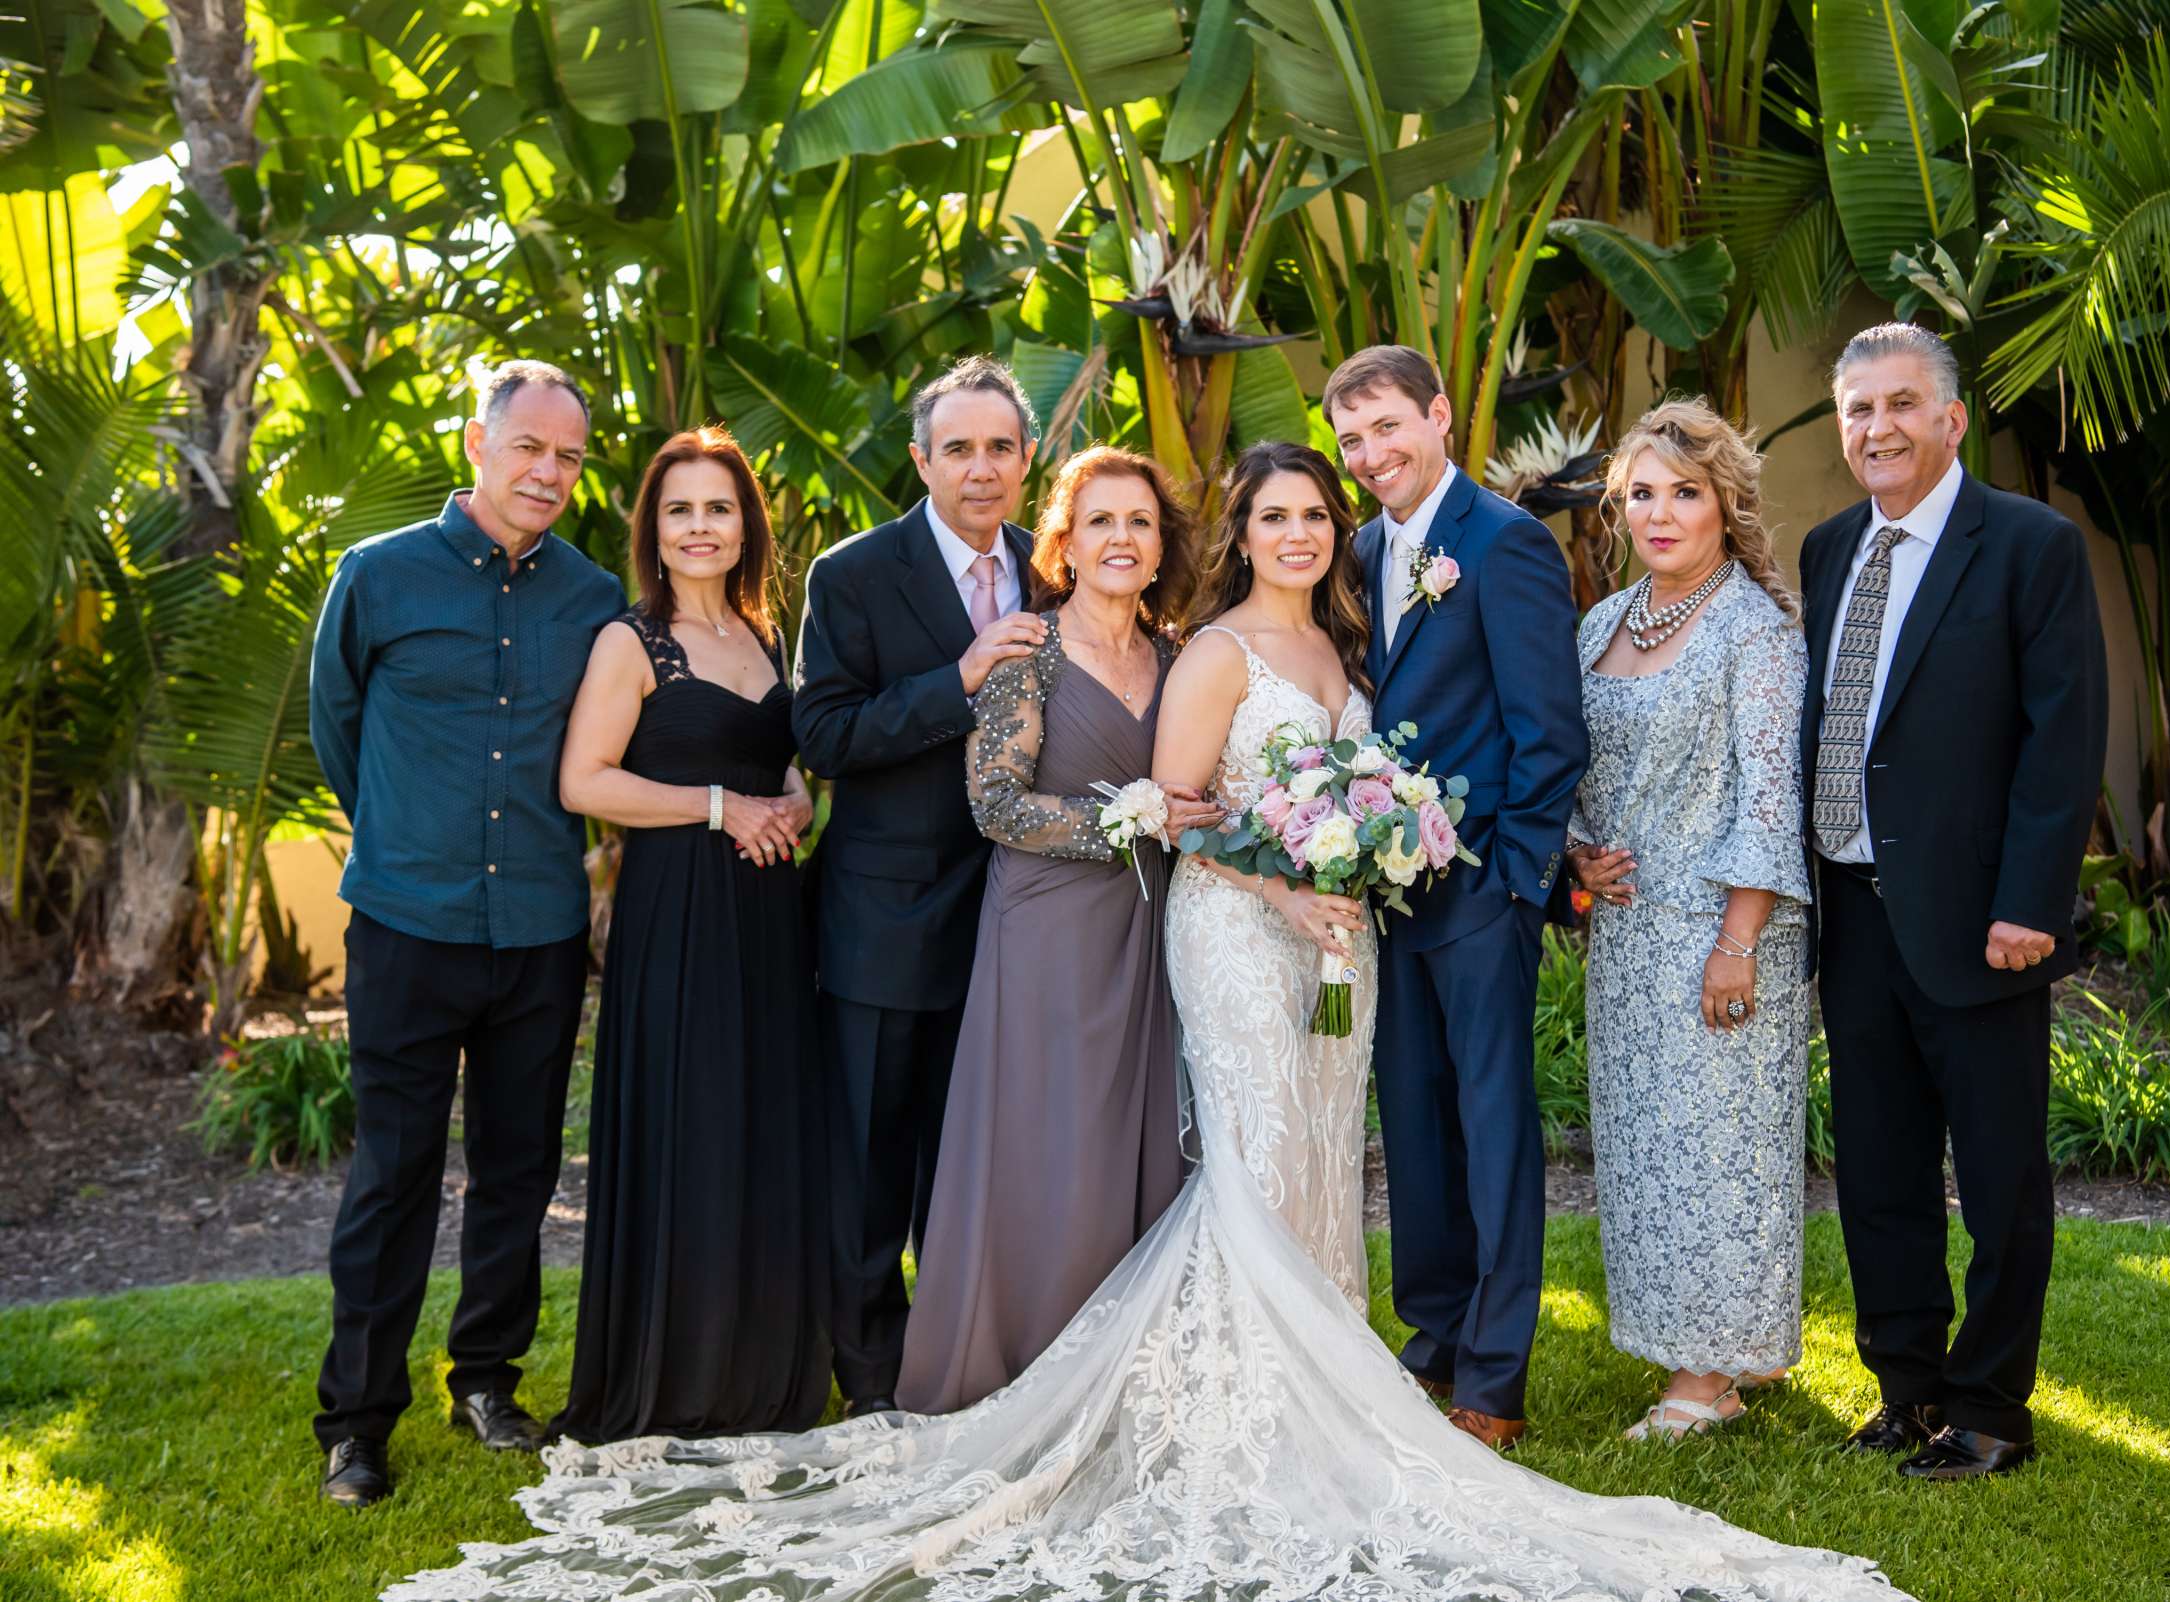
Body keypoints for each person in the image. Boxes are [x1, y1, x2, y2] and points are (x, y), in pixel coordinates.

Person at [387, 440, 1906, 1602]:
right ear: (1227, 536)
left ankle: (1323, 1377)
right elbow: (1145, 811)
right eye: (1273, 516)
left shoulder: (1329, 650)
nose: (1299, 534)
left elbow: (1299, 789)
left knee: (1303, 1165)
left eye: (1316, 514)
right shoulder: (1174, 653)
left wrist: (1362, 860)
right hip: (1226, 937)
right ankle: (1233, 1403)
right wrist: (1263, 869)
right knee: (1239, 1161)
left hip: (1331, 937)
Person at [305, 360, 623, 1507]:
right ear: (477, 444)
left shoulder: (591, 598)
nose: (549, 471)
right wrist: (406, 836)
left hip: (536, 927)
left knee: (518, 1168)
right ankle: (356, 1421)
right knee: (392, 1175)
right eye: (529, 447)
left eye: (570, 456)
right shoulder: (377, 577)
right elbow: (336, 729)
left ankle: (485, 1377)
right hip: (405, 920)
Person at [1801, 323, 2107, 1480]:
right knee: (1878, 1170)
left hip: (1982, 918)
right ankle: (1908, 1388)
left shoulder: (2030, 546)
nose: (1876, 429)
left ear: (1951, 419)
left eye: (1898, 406)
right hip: (1852, 911)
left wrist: (2031, 899)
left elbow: (2062, 737)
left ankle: (1989, 1407)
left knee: (1998, 1178)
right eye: (1857, 411)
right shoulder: (1831, 549)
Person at [894, 446, 1193, 1414]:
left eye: (1140, 522)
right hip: (1049, 930)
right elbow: (996, 806)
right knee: (1051, 1133)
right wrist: (1134, 820)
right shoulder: (1030, 653)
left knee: (1139, 1132)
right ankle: (1024, 1362)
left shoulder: (1182, 655)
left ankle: (1129, 1371)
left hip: (1153, 931)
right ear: (1065, 539)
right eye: (1100, 520)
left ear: (1160, 546)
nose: (1121, 538)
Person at [547, 426, 829, 1443]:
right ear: (653, 532)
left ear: (745, 524)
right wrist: (721, 808)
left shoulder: (763, 634)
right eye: (680, 511)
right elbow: (587, 780)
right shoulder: (632, 641)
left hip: (768, 915)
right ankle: (679, 1376)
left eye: (719, 507)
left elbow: (783, 764)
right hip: (679, 912)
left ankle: (766, 1368)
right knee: (692, 1123)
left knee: (762, 1120)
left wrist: (790, 803)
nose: (701, 526)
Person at [1328, 345, 1585, 1449]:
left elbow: (1548, 732)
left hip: (1482, 896)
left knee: (1491, 1132)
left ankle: (1494, 1372)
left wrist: (1519, 886)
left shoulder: (1506, 544)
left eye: (1389, 428)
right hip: (1386, 898)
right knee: (1417, 1129)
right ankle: (1431, 1337)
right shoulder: (1353, 551)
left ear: (1437, 416)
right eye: (1352, 441)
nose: (1373, 455)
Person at [790, 356, 1047, 1416]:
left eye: (999, 448)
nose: (979, 470)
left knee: (979, 1161)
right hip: (887, 923)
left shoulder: (1057, 566)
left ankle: (961, 1359)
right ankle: (868, 1377)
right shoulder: (852, 575)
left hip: (1020, 920)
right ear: (920, 459)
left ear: (1028, 459)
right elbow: (823, 736)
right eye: (958, 450)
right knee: (871, 1167)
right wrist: (961, 677)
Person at [1563, 401, 1811, 1441]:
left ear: (1727, 503)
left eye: (1686, 493)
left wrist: (1738, 941)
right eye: (1643, 494)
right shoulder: (1601, 621)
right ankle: (1694, 1352)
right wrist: (1580, 851)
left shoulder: (1756, 631)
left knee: (1723, 1150)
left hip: (1722, 933)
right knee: (1648, 1149)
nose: (1660, 514)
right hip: (1628, 934)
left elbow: (1769, 798)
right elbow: (1580, 769)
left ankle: (1708, 1377)